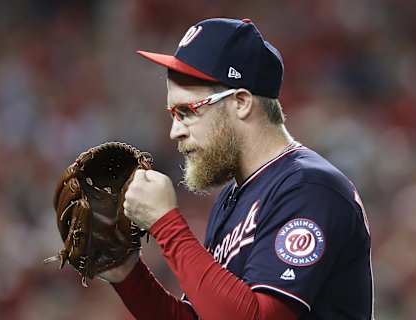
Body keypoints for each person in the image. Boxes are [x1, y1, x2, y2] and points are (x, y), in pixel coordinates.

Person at [99, 17, 374, 319]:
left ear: (241, 102)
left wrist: (167, 225)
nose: (174, 131)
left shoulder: (310, 188)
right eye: (172, 114)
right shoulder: (234, 197)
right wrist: (127, 274)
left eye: (186, 112)